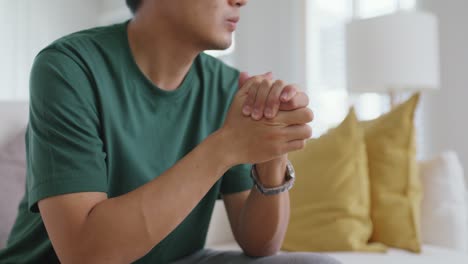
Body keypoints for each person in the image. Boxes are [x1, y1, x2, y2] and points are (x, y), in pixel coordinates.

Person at [0, 0, 340, 263]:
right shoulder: (68, 67)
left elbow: (259, 245)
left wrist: (271, 149)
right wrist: (225, 147)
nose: (241, 0)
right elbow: (86, 254)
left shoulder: (227, 87)